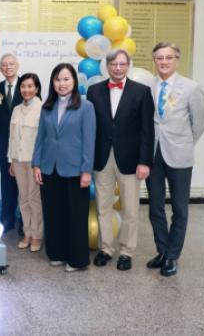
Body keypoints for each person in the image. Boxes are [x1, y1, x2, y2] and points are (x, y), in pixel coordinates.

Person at [86, 49, 154, 271]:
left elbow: (147, 130)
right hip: (102, 157)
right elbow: (90, 127)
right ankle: (106, 248)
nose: (117, 68)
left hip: (131, 160)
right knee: (103, 206)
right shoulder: (94, 91)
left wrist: (144, 161)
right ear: (107, 66)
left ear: (128, 65)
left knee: (131, 210)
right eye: (113, 64)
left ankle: (126, 251)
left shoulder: (142, 91)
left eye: (122, 64)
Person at [145, 42, 204, 277]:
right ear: (154, 60)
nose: (164, 62)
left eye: (168, 57)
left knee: (180, 209)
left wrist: (185, 144)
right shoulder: (147, 86)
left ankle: (172, 256)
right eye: (159, 58)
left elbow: (199, 123)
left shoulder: (191, 87)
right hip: (153, 155)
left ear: (176, 59)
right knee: (155, 207)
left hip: (180, 156)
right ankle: (162, 250)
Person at [32, 63, 95, 272]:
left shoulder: (86, 107)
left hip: (75, 170)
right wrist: (36, 164)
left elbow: (89, 141)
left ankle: (76, 260)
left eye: (66, 79)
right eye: (58, 79)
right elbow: (41, 137)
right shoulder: (47, 106)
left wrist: (86, 170)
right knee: (53, 213)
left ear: (74, 81)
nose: (62, 83)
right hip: (49, 168)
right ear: (53, 82)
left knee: (75, 216)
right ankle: (57, 253)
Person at [8, 73, 43, 252]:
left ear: (36, 88)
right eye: (23, 86)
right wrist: (11, 160)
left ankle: (36, 235)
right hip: (18, 160)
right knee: (23, 198)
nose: (26, 90)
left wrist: (39, 164)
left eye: (30, 86)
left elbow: (44, 139)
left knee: (34, 199)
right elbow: (12, 137)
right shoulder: (16, 109)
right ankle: (27, 233)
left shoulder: (43, 108)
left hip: (33, 162)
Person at [0, 53, 22, 233]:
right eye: (4, 65)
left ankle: (25, 223)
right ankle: (7, 218)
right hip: (4, 144)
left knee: (24, 185)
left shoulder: (27, 85)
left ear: (17, 65)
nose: (8, 67)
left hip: (24, 145)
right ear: (0, 68)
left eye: (11, 64)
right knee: (6, 182)